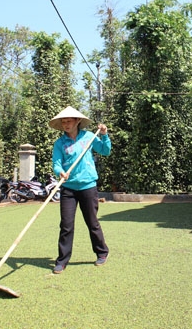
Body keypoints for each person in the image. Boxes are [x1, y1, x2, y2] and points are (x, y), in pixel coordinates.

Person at [49, 106, 111, 274]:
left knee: (92, 222)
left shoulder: (89, 137)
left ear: (77, 121)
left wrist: (104, 135)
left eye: (69, 121)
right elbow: (56, 163)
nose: (66, 124)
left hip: (88, 186)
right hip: (68, 188)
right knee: (66, 225)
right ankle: (62, 261)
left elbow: (105, 151)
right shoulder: (60, 143)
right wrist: (59, 171)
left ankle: (102, 252)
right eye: (63, 121)